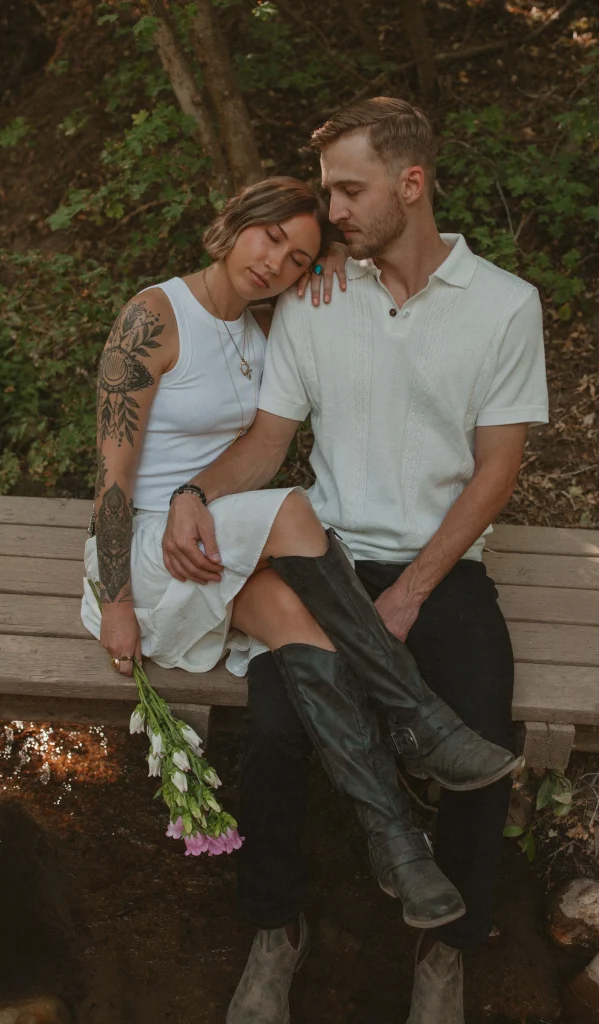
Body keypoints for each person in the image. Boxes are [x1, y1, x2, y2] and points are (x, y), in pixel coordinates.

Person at [162, 99, 549, 1023]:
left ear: (409, 185)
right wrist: (192, 496)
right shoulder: (315, 298)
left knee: (481, 741)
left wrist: (414, 591)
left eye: (348, 190)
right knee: (275, 736)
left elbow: (496, 474)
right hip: (318, 565)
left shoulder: (504, 307)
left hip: (440, 569)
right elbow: (265, 444)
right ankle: (274, 930)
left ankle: (445, 947)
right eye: (329, 189)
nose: (330, 210)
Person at [80, 174, 519, 966]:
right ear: (233, 222)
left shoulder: (265, 324)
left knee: (302, 632)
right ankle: (418, 718)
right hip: (152, 543)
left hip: (220, 544)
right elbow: (112, 476)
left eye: (296, 256)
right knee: (293, 510)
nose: (275, 262)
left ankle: (397, 848)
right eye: (268, 237)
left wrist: (321, 270)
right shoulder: (155, 315)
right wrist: (114, 597)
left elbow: (270, 420)